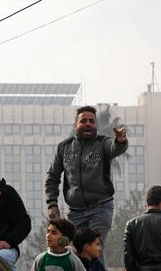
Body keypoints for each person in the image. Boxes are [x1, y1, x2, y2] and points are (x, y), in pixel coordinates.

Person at [45, 105, 128, 253]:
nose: (88, 123)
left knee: (93, 247)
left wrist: (120, 141)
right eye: (84, 120)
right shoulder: (64, 148)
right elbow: (52, 177)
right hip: (75, 212)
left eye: (92, 121)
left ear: (95, 125)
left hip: (100, 208)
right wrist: (52, 203)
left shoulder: (103, 143)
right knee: (76, 250)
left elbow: (114, 147)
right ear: (76, 124)